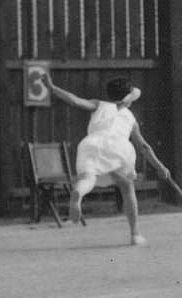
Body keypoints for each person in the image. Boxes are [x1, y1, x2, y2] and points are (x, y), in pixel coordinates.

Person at [40, 73, 170, 245]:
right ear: (127, 100)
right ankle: (134, 234)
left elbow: (75, 101)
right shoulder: (130, 118)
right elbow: (144, 147)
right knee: (127, 188)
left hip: (90, 144)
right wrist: (160, 167)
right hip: (117, 148)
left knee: (88, 179)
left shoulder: (98, 104)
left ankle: (78, 193)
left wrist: (52, 88)